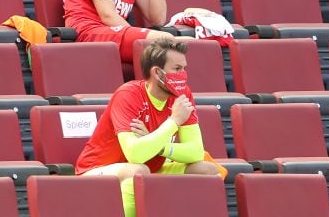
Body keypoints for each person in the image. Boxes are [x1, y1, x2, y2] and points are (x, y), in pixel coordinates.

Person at [75, 39, 221, 217]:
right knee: (138, 171)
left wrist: (158, 145)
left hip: (150, 168)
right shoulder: (128, 95)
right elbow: (135, 155)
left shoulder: (183, 94)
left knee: (207, 170)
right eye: (177, 69)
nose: (183, 75)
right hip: (96, 170)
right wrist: (174, 121)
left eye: (184, 68)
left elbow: (196, 152)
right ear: (157, 72)